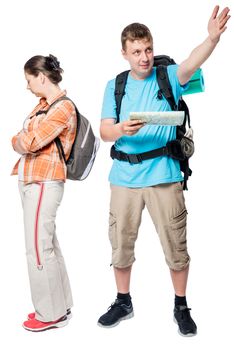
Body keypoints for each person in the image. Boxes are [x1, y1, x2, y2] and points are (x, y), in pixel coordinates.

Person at [97, 6, 230, 336]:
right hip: (124, 179)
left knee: (176, 245)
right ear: (125, 53)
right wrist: (121, 130)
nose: (144, 57)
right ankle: (123, 301)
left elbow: (192, 61)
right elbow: (104, 130)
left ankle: (181, 306)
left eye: (148, 50)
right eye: (137, 52)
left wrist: (211, 39)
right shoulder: (115, 86)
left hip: (164, 176)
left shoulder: (168, 76)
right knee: (121, 243)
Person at [11, 54, 76, 332]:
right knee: (48, 245)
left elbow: (30, 141)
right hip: (33, 180)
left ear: (41, 76)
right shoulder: (43, 107)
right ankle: (60, 305)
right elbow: (19, 139)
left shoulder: (63, 108)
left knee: (38, 249)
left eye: (29, 79)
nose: (27, 86)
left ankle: (50, 314)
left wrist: (20, 140)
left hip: (42, 181)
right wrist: (19, 140)